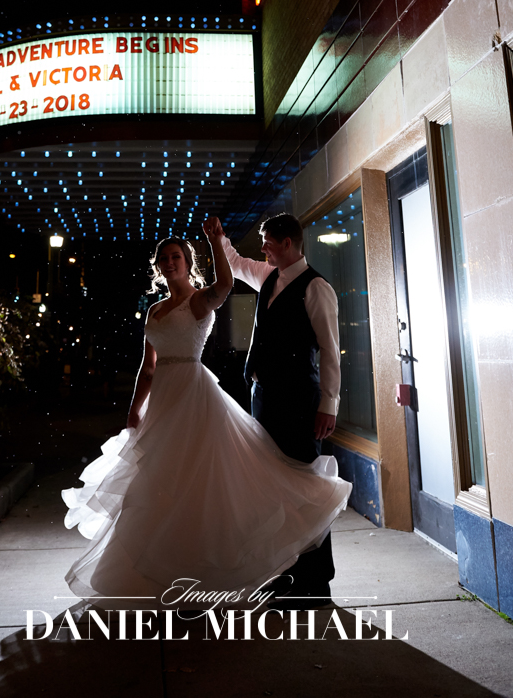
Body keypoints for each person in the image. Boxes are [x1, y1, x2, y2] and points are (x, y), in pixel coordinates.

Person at [62, 226, 350, 610]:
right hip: (168, 403)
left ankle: (297, 580)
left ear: (187, 263)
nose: (169, 263)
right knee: (159, 485)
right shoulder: (157, 309)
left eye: (176, 257)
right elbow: (148, 367)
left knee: (213, 483)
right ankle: (165, 572)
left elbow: (228, 283)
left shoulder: (200, 302)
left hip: (203, 398)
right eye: (164, 259)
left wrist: (216, 242)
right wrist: (134, 409)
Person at [203, 212, 342, 609]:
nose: (262, 247)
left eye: (267, 241)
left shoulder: (316, 287)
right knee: (273, 488)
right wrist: (218, 238)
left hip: (299, 400)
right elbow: (235, 263)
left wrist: (328, 404)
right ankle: (285, 574)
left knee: (304, 489)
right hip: (264, 399)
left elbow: (330, 351)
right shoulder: (268, 276)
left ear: (286, 243)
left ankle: (315, 583)